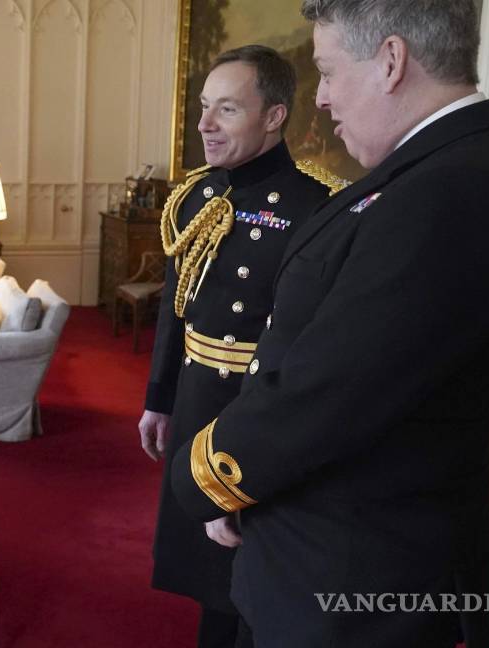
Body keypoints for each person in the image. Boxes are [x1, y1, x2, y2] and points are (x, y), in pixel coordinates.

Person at [168, 2, 489, 646]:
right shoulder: (438, 172)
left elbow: (327, 391)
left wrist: (205, 477)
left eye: (326, 71)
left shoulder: (448, 195)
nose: (319, 99)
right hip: (335, 557)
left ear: (392, 61)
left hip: (356, 582)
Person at [139, 45, 341, 648]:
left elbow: (304, 345)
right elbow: (177, 309)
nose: (204, 124)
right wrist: (160, 398)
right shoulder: (196, 195)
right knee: (205, 567)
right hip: (200, 399)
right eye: (204, 107)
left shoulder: (317, 205)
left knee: (251, 569)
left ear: (274, 116)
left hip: (257, 410)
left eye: (225, 109)